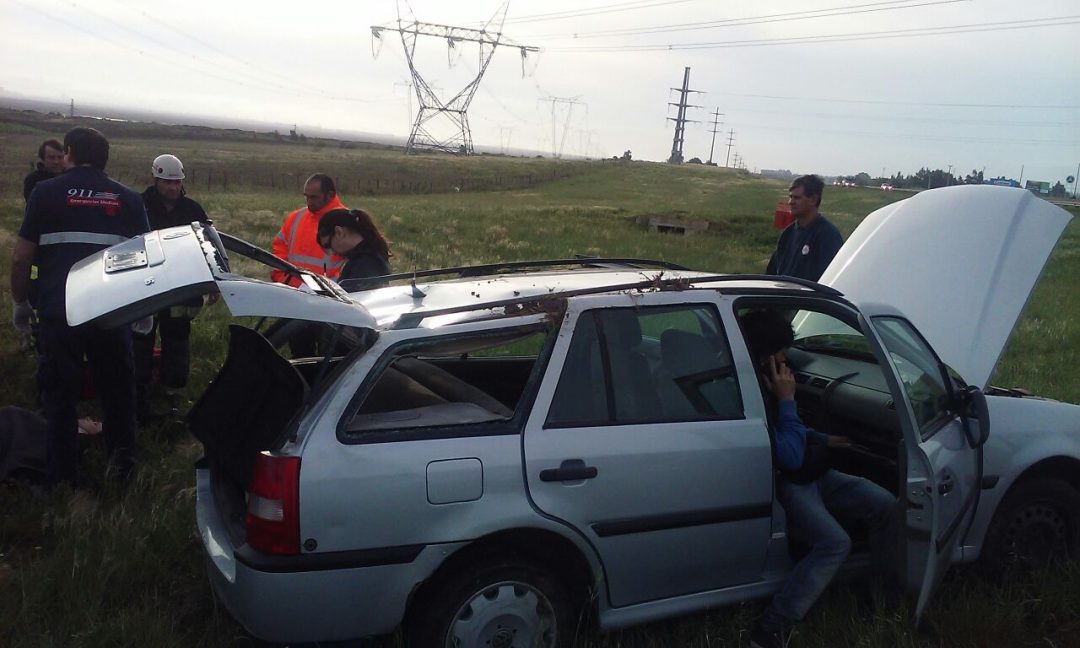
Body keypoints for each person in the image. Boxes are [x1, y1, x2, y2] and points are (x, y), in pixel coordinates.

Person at [739, 309, 895, 648]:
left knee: (885, 505)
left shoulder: (765, 383)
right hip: (790, 482)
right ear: (765, 357)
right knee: (834, 543)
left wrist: (822, 439)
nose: (787, 360)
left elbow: (789, 432)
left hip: (814, 473)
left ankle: (877, 590)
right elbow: (788, 456)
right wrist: (787, 400)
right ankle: (772, 627)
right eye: (781, 353)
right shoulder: (755, 390)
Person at [10, 127, 150, 489]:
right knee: (118, 395)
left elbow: (22, 257)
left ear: (68, 152)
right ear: (106, 158)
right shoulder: (130, 199)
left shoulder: (45, 193)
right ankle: (124, 473)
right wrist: (143, 310)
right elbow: (146, 262)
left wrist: (21, 302)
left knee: (60, 397)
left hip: (59, 312)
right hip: (111, 313)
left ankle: (62, 481)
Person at [132, 154, 211, 421]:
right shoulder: (138, 206)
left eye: (177, 182)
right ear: (155, 179)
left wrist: (213, 282)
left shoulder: (193, 210)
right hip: (146, 285)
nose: (173, 188)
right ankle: (138, 386)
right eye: (167, 182)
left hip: (181, 286)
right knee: (141, 337)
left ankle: (173, 387)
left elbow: (208, 246)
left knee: (177, 336)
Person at [271, 173, 347, 286]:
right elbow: (279, 250)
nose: (309, 201)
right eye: (306, 196)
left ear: (330, 195)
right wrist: (281, 279)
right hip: (290, 291)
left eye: (314, 197)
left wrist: (327, 289)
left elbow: (353, 265)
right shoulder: (295, 217)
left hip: (328, 296)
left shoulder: (346, 222)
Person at [765, 174, 844, 282]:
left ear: (813, 200)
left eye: (797, 198)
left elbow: (830, 280)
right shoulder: (788, 233)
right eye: (790, 197)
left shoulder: (828, 236)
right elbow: (771, 274)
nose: (790, 202)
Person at [315, 208, 393, 288]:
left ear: (339, 232)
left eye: (328, 245)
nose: (332, 252)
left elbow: (354, 297)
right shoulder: (370, 254)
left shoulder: (365, 263)